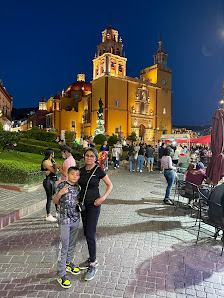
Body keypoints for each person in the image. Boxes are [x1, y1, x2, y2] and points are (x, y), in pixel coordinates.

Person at [78, 148, 113, 281]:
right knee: (86, 233)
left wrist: (103, 198)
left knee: (91, 234)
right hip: (83, 205)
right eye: (87, 156)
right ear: (84, 156)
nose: (89, 158)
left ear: (96, 158)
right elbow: (76, 184)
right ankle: (90, 259)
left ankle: (93, 263)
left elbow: (110, 185)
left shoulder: (98, 170)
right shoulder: (81, 170)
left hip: (94, 205)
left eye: (92, 156)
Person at [52, 167, 81, 288]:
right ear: (67, 174)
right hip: (64, 220)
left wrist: (78, 203)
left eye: (77, 175)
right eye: (72, 174)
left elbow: (78, 200)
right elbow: (54, 200)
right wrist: (60, 193)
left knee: (72, 244)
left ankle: (68, 263)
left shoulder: (78, 188)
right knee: (64, 246)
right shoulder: (62, 186)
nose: (75, 176)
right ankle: (61, 274)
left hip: (75, 219)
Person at [41, 149, 59, 222]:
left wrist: (55, 168)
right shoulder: (45, 162)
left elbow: (57, 168)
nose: (54, 154)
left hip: (53, 180)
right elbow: (54, 170)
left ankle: (57, 212)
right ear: (51, 154)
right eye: (53, 153)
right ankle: (48, 214)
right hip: (48, 181)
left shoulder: (52, 160)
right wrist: (54, 168)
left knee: (55, 196)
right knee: (49, 197)